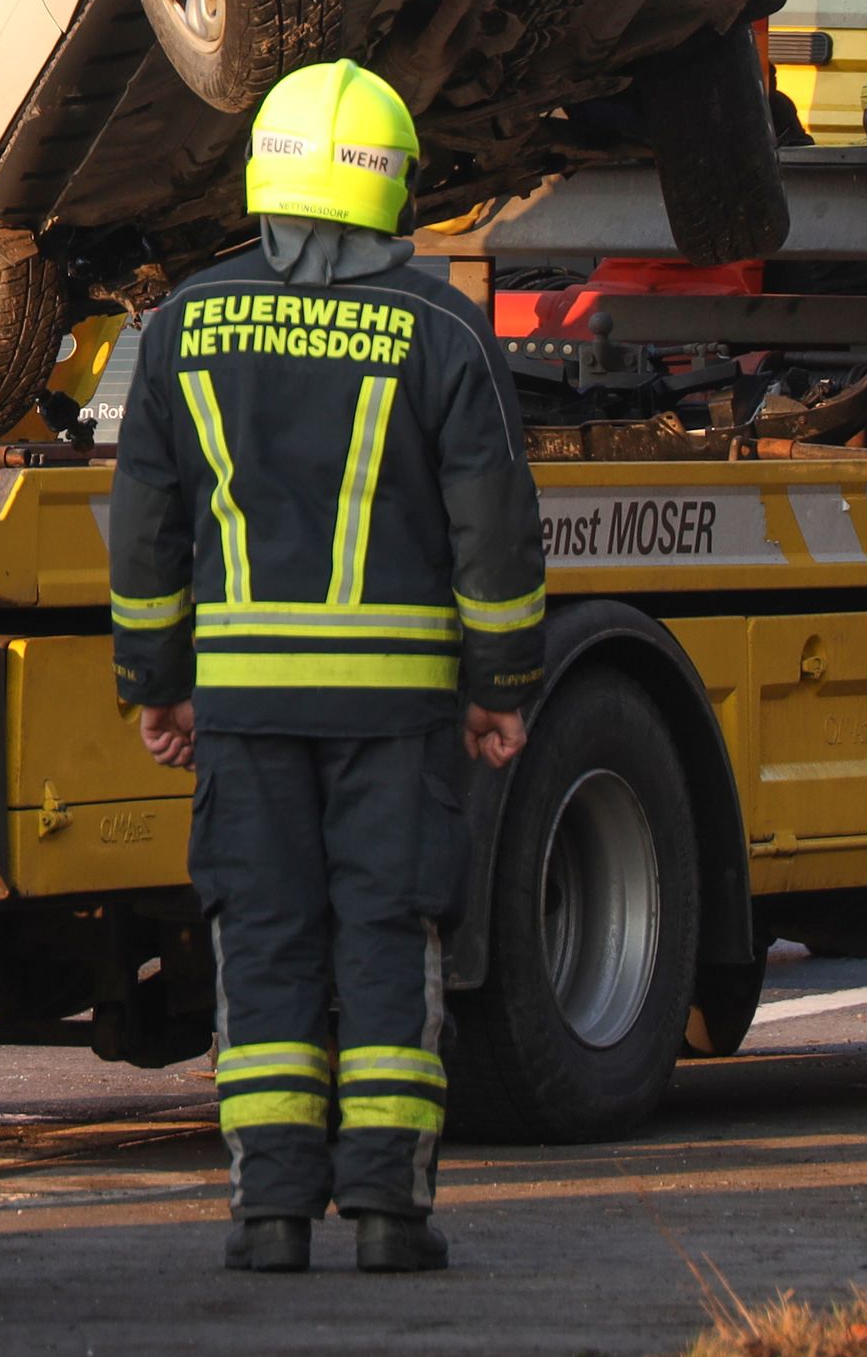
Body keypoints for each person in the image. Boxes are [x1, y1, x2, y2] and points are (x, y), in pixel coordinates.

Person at [107, 61, 545, 1278]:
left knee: (263, 940)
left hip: (243, 708)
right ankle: (390, 1214)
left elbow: (144, 526)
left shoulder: (185, 323)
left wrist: (155, 679)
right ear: (395, 185)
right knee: (385, 936)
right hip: (398, 715)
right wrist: (501, 685)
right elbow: (493, 527)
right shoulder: (444, 327)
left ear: (263, 171)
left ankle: (268, 1213)